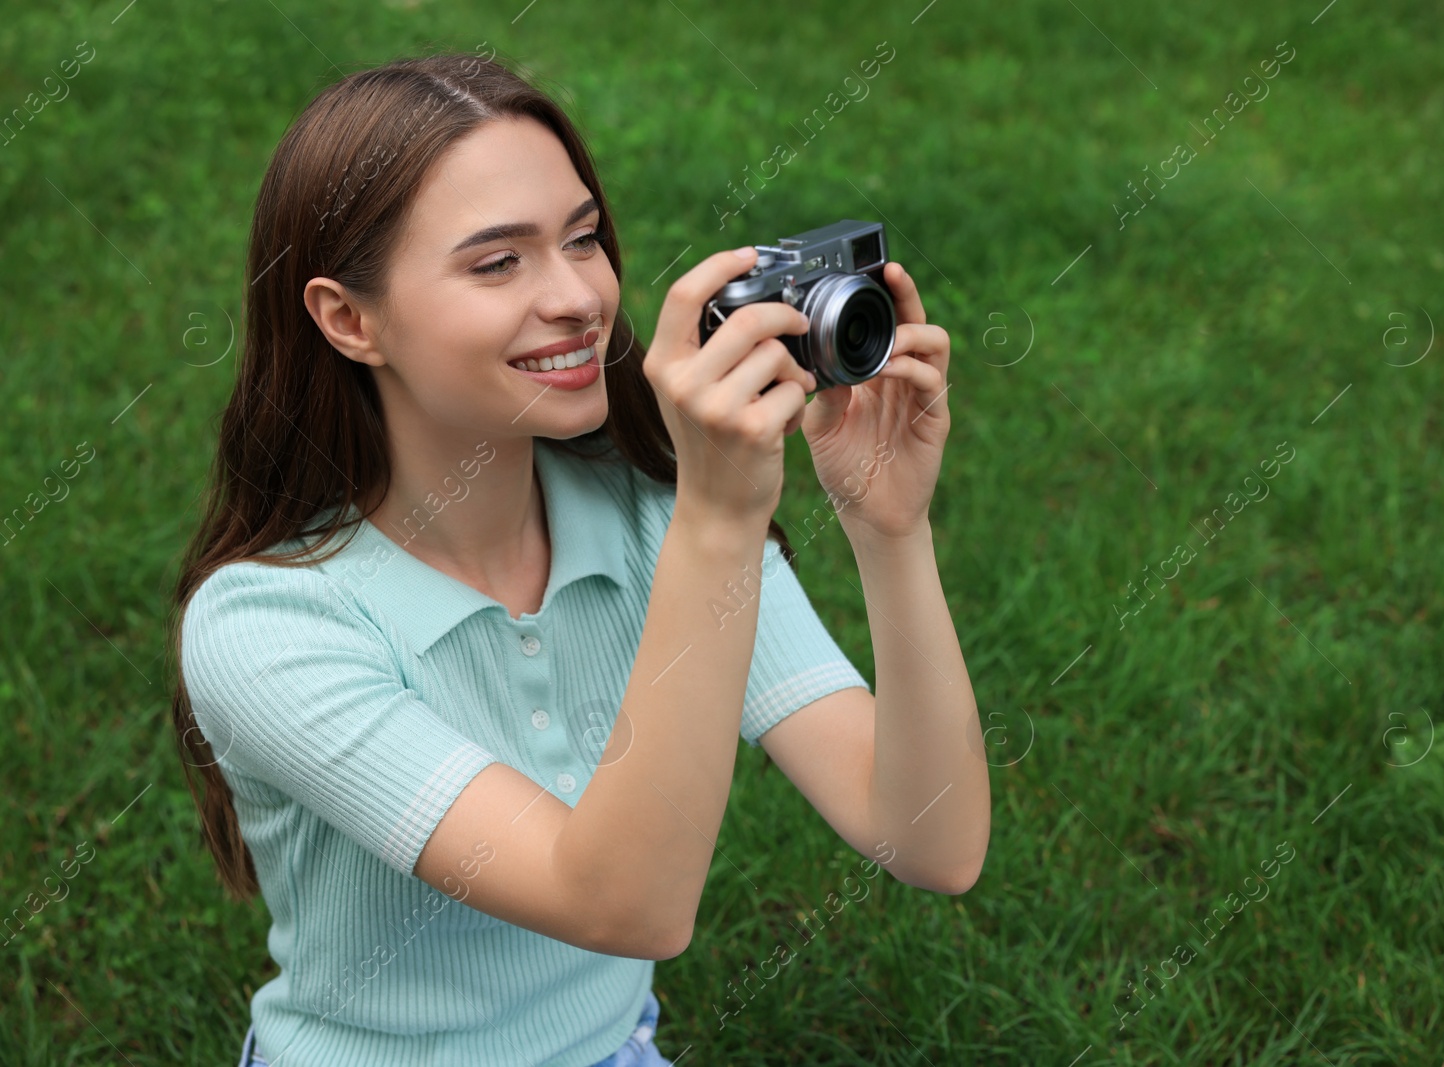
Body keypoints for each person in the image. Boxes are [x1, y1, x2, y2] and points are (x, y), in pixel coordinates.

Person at [167, 47, 988, 1066]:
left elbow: (931, 840)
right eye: (496, 261)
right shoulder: (268, 624)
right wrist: (718, 526)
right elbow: (623, 906)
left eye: (583, 238)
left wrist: (888, 529)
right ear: (349, 318)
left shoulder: (650, 521)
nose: (576, 298)